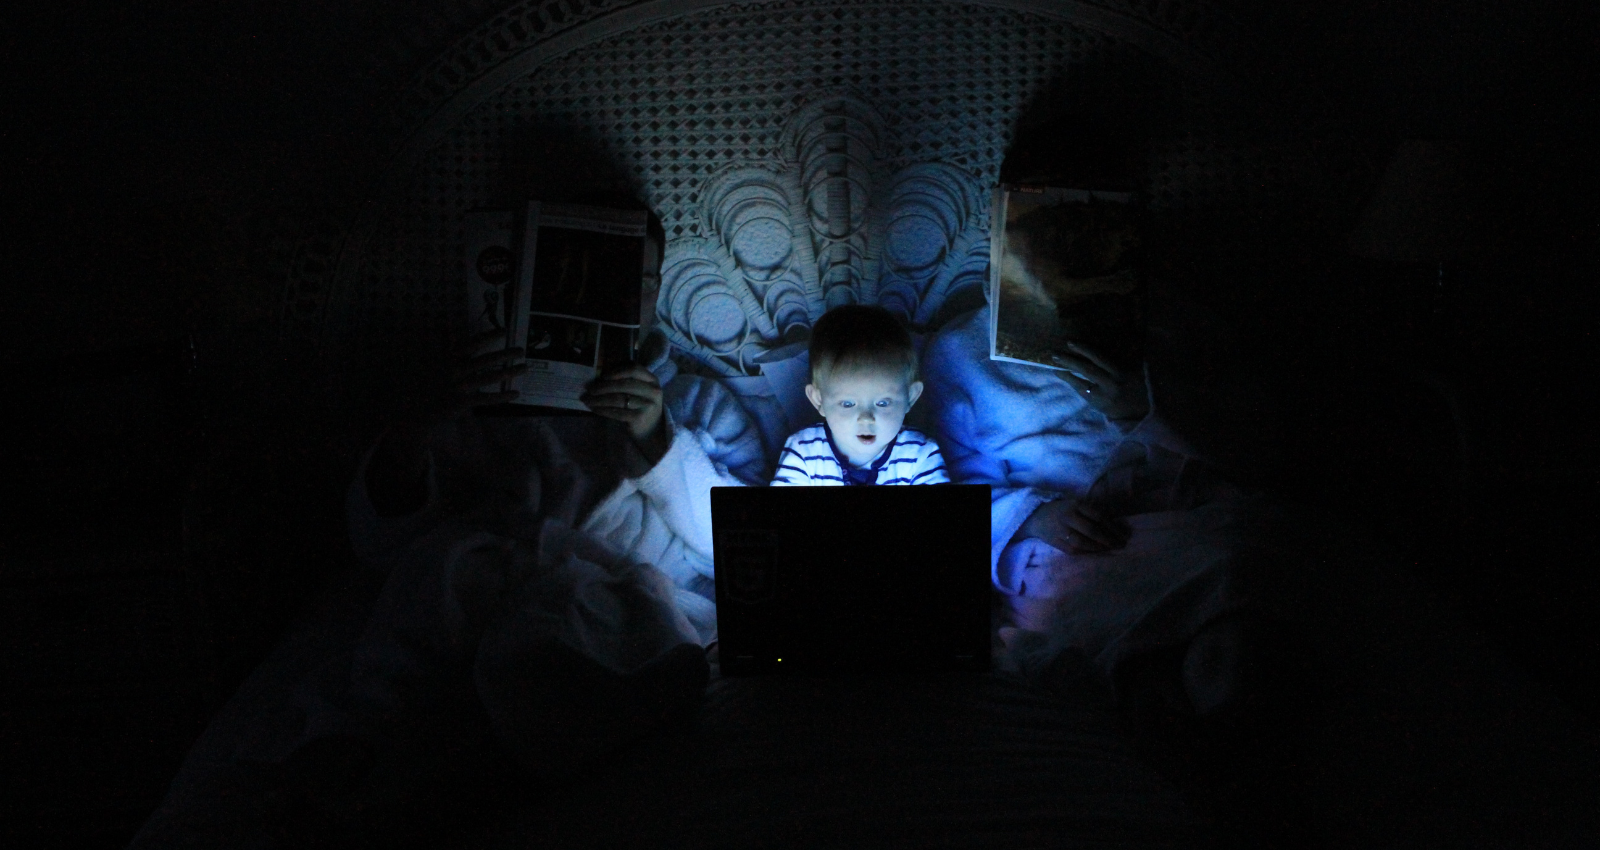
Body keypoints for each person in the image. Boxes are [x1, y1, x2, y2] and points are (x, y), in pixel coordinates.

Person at [770, 304, 948, 486]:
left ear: (910, 397)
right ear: (819, 399)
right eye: (847, 404)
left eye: (883, 403)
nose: (866, 419)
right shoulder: (803, 451)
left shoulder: (921, 454)